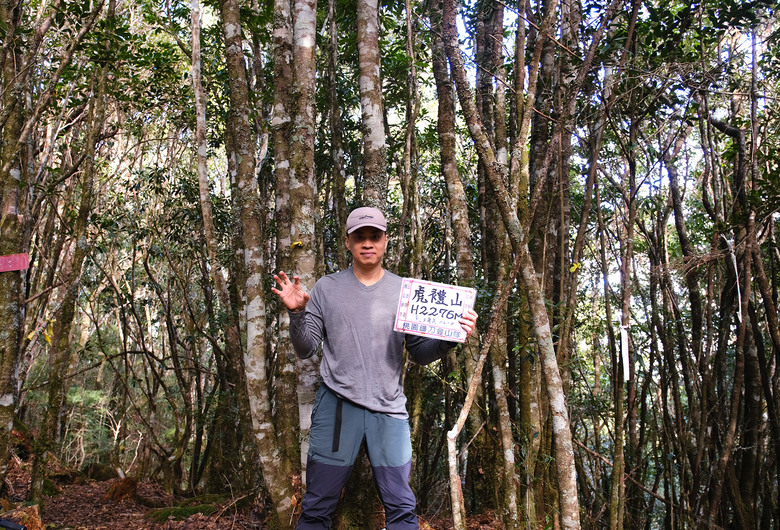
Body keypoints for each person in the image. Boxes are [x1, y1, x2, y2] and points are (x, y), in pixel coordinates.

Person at [272, 206, 478, 529]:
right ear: (348, 242)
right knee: (316, 507)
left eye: (374, 236)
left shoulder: (405, 292)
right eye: (360, 237)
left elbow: (419, 353)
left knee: (402, 508)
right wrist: (297, 314)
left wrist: (450, 337)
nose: (367, 243)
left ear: (385, 241)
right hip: (338, 408)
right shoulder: (327, 288)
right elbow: (306, 348)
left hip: (388, 410)